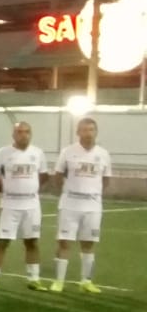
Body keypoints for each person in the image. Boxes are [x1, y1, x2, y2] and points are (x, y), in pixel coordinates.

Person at [49, 117, 112, 293]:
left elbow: (106, 179)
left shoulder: (103, 154)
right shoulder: (68, 152)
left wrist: (93, 192)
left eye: (91, 129)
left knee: (89, 244)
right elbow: (58, 175)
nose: (88, 133)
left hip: (93, 206)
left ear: (96, 132)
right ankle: (58, 281)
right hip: (70, 204)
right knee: (64, 243)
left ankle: (86, 281)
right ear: (78, 132)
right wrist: (68, 190)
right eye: (84, 130)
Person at [0, 121, 49, 291]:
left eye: (27, 132)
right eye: (20, 132)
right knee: (2, 241)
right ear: (13, 134)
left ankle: (34, 278)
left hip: (32, 205)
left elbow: (43, 175)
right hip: (10, 204)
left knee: (32, 241)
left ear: (31, 134)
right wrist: (3, 188)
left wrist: (30, 188)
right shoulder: (3, 153)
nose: (23, 135)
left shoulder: (38, 153)